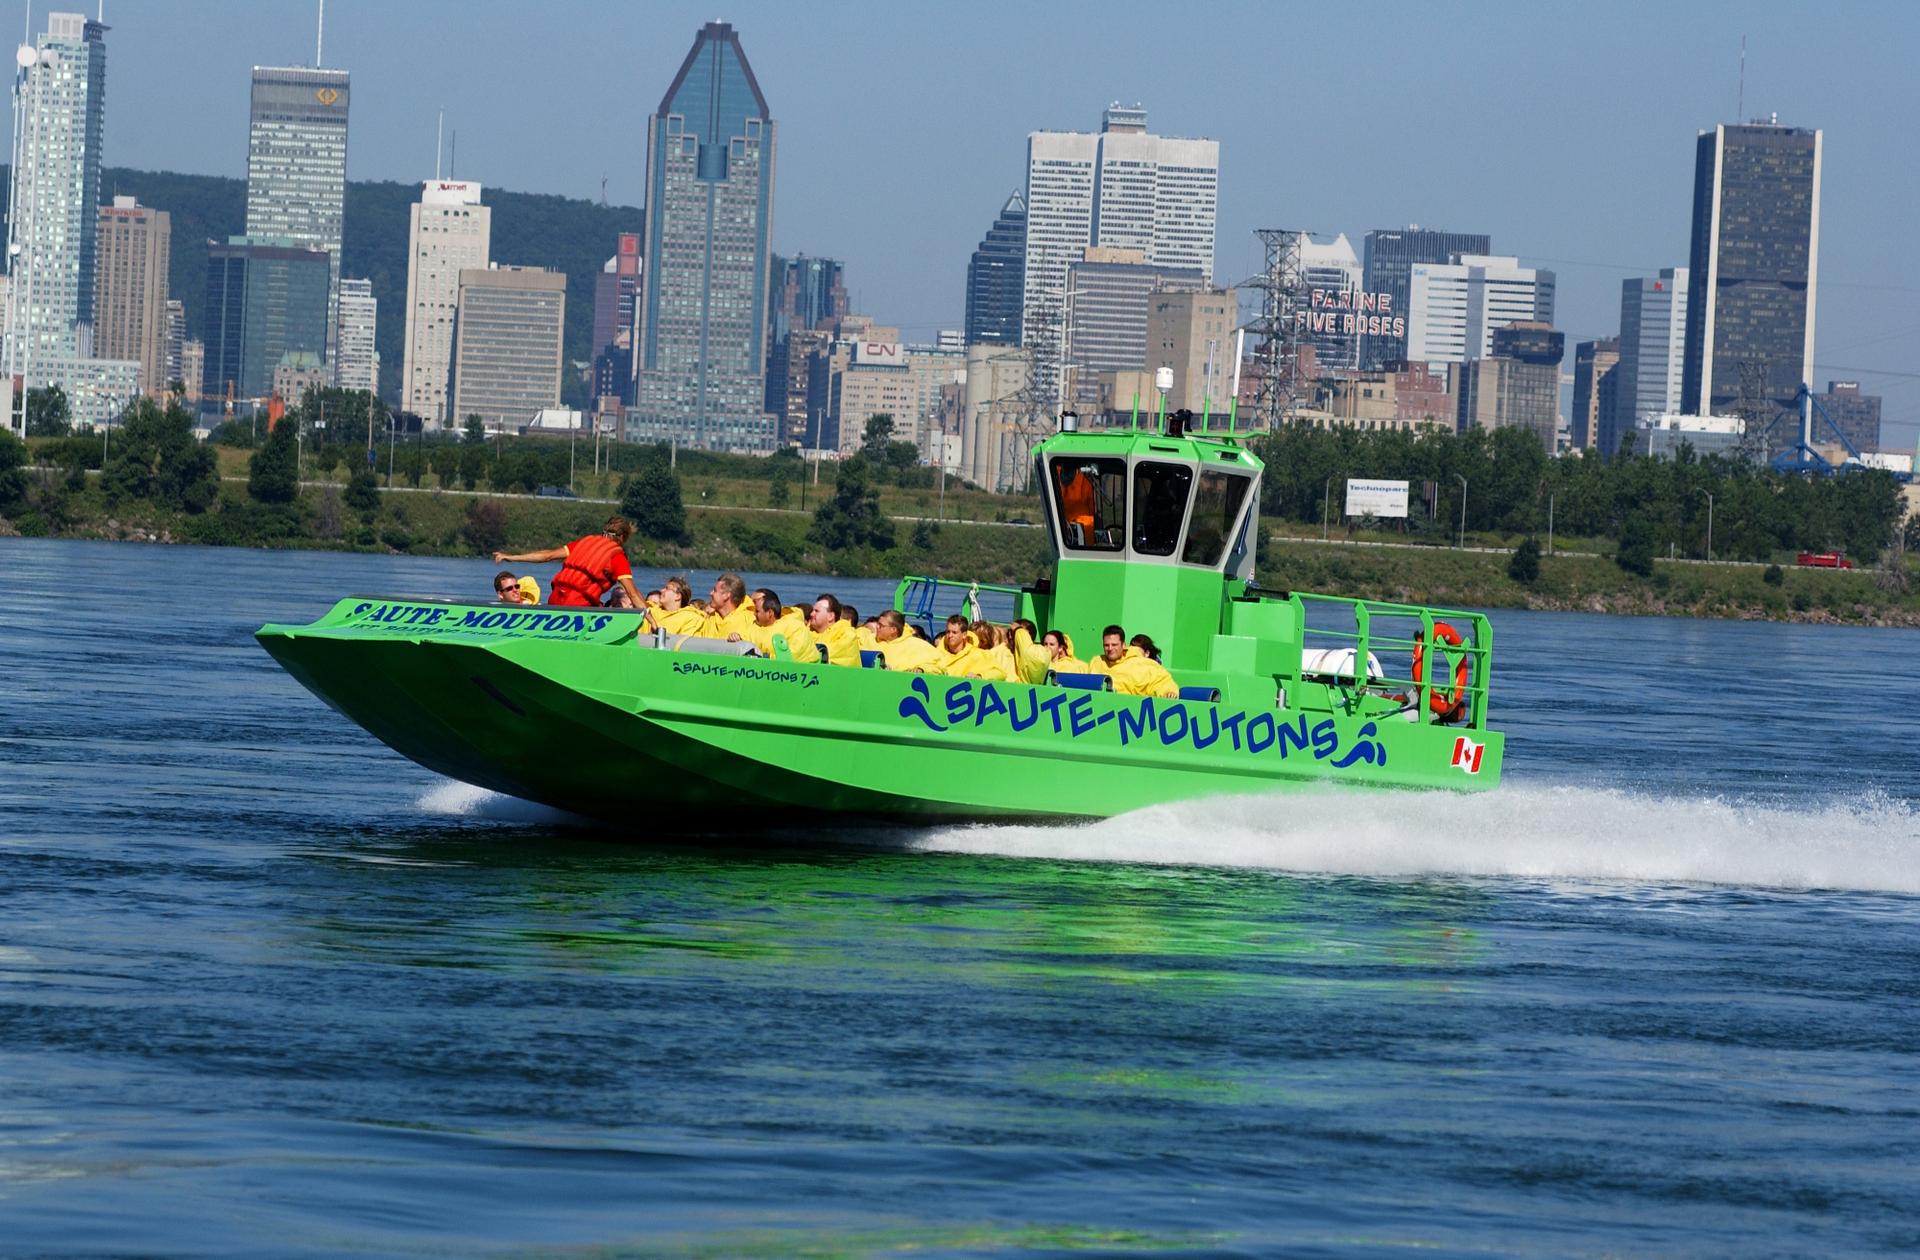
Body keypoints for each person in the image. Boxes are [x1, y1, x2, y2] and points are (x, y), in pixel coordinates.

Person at [493, 516, 641, 608]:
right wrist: (653, 622)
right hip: (578, 607)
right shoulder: (617, 557)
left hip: (556, 599)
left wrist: (512, 557)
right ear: (622, 538)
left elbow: (547, 555)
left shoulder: (583, 543)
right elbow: (632, 593)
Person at [1089, 623, 1178, 697]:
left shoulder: (1141, 664)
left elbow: (1161, 681)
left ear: (1123, 645)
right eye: (1106, 645)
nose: (1110, 648)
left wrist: (1168, 692)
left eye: (1114, 645)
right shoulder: (1096, 661)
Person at [729, 588, 817, 661]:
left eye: (757, 611)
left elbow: (794, 656)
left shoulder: (795, 626)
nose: (754, 614)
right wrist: (736, 636)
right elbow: (744, 637)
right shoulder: (755, 626)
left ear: (770, 613)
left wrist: (765, 657)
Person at [935, 614, 1006, 679]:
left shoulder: (980, 654)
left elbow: (1000, 673)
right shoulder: (936, 653)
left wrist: (979, 676)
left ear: (964, 635)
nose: (950, 636)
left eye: (954, 632)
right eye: (948, 632)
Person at [873, 609, 943, 672]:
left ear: (893, 630)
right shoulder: (871, 638)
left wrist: (921, 669)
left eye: (881, 625)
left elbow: (938, 666)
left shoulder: (918, 646)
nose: (877, 627)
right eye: (877, 624)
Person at [695, 573, 756, 640]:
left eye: (715, 590)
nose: (711, 593)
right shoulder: (708, 617)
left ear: (726, 595)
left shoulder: (750, 620)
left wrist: (740, 638)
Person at [643, 576, 708, 636]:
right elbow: (639, 603)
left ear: (677, 596)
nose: (661, 590)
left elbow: (682, 644)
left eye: (667, 588)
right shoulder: (655, 609)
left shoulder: (691, 617)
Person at [809, 594, 862, 666]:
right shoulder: (806, 631)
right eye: (812, 610)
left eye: (816, 611)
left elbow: (821, 654)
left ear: (830, 616)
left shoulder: (847, 634)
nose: (811, 614)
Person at [1008, 618, 1051, 684]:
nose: (1010, 637)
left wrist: (1018, 630)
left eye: (1014, 633)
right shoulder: (1003, 652)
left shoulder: (1040, 654)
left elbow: (1037, 660)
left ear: (1027, 635)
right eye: (1009, 633)